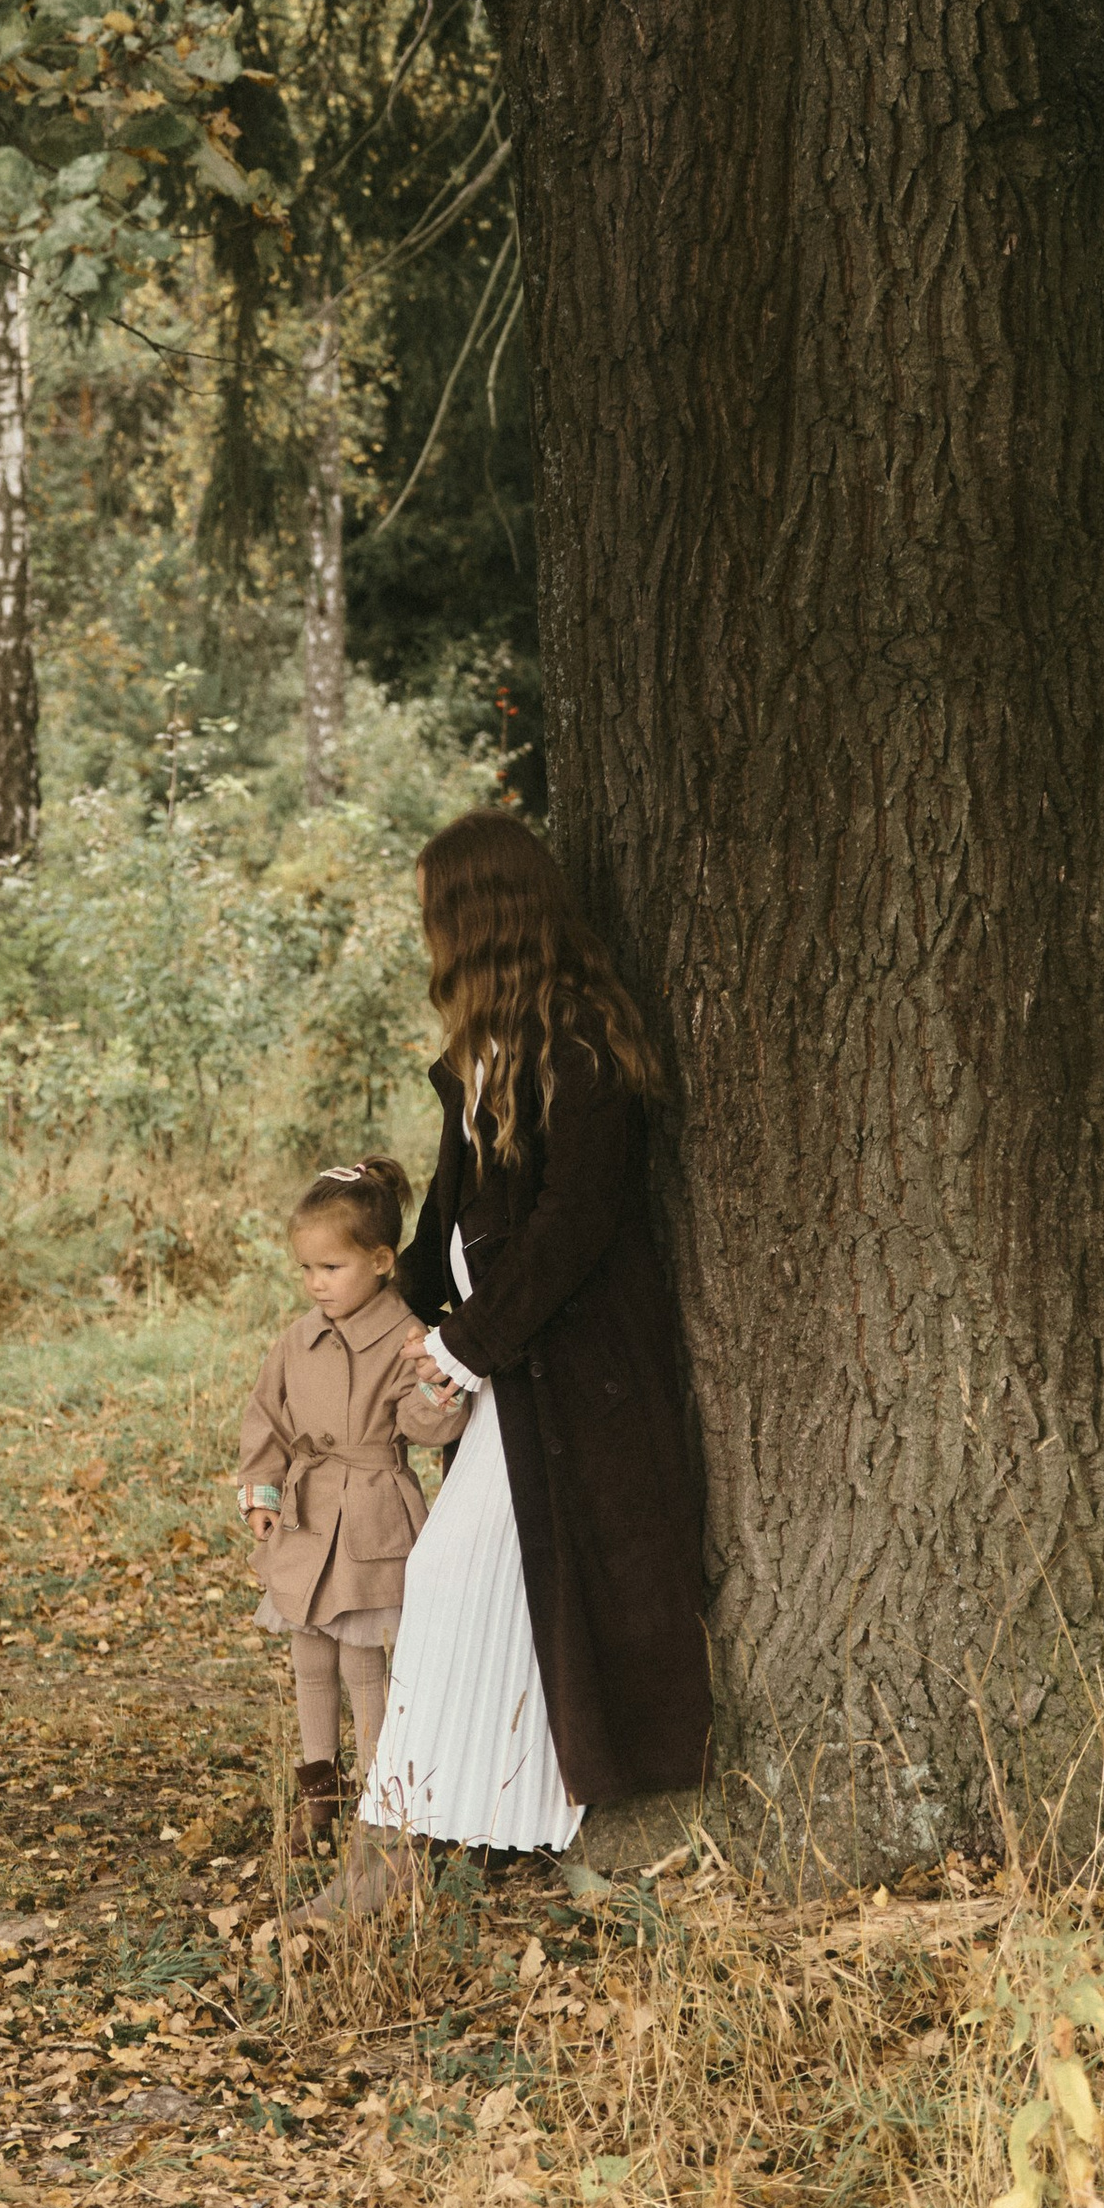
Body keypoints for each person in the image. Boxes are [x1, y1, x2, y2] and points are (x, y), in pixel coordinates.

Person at [346, 807, 711, 1911]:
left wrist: (464, 1347)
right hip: (506, 1356)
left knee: (456, 1571)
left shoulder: (583, 1042)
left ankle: (398, 1850)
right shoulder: (479, 1053)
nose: (426, 935)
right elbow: (455, 1214)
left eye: (435, 914)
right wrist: (379, 1302)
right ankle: (487, 1825)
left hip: (572, 1367)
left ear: (478, 917)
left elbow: (573, 1225)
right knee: (499, 1579)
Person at [236, 1159, 468, 1851]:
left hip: (370, 1514)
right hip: (309, 1517)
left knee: (362, 1657)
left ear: (380, 1260)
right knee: (309, 1648)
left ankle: (379, 1793)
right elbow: (266, 1420)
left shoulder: (405, 1339)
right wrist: (263, 1495)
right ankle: (319, 1793)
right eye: (306, 1269)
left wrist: (438, 1383)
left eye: (331, 1268)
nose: (315, 1283)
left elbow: (429, 1428)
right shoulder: (297, 1340)